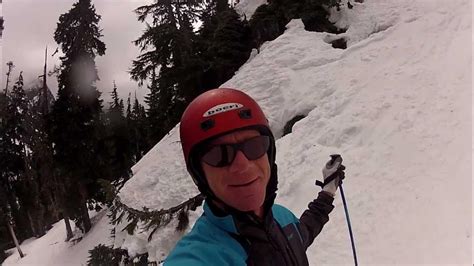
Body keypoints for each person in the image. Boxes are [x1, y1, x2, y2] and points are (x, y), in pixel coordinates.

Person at [164, 88, 345, 266]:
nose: (243, 166)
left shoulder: (282, 218)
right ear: (199, 174)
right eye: (219, 154)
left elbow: (304, 231)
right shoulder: (202, 256)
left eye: (255, 146)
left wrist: (328, 191)